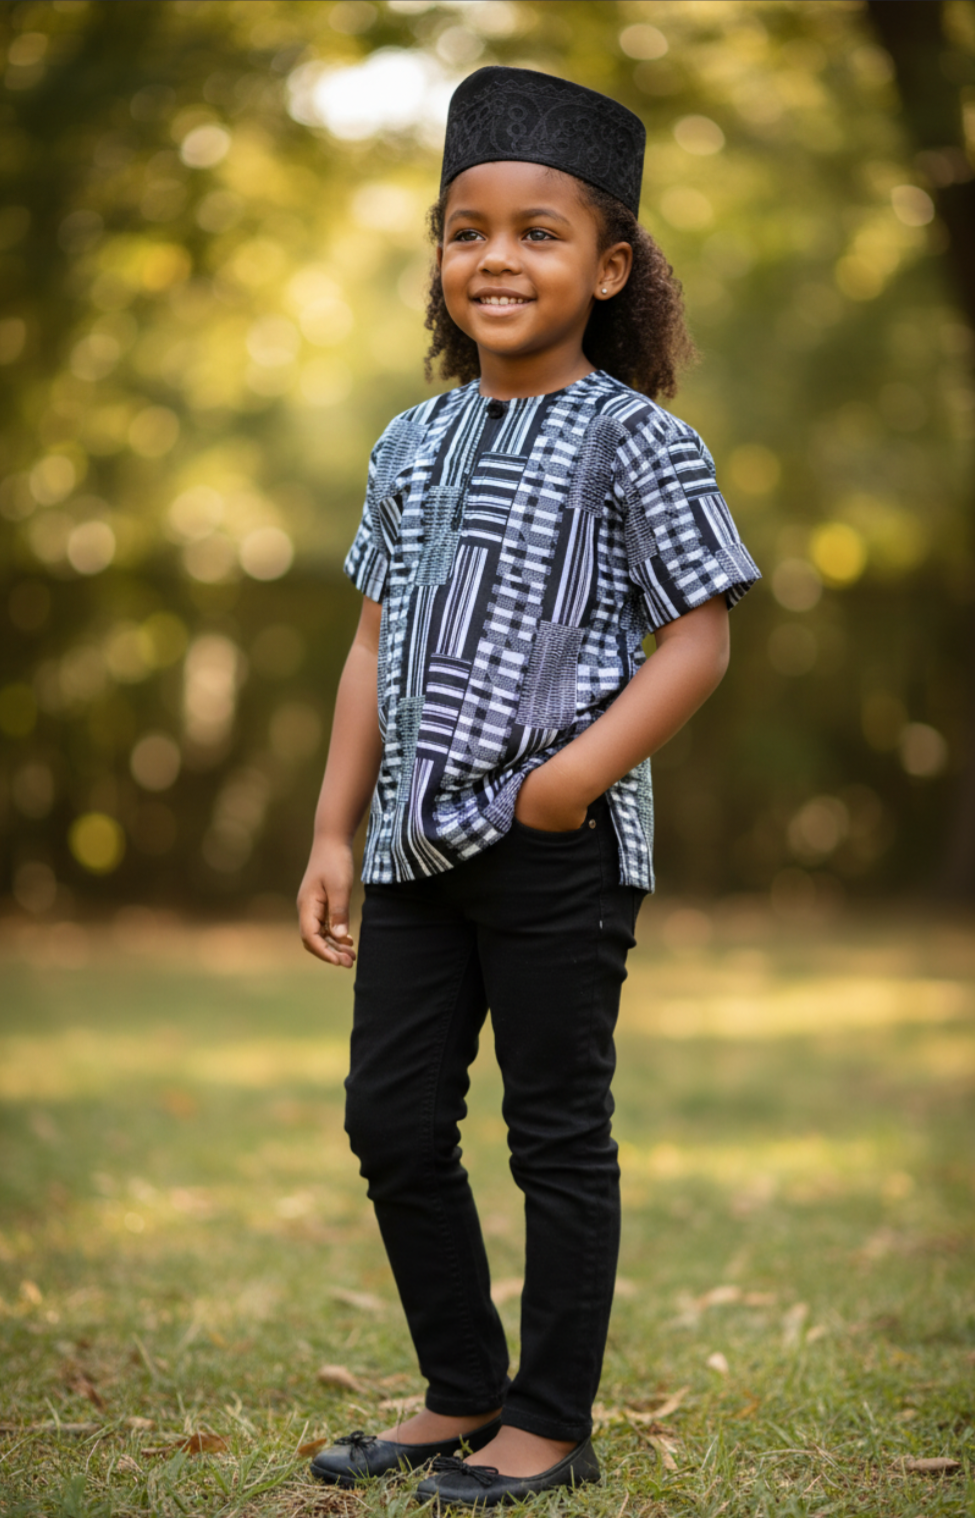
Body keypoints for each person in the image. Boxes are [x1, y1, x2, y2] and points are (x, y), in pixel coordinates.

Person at [298, 65, 760, 1508]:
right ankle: (460, 1389)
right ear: (441, 258)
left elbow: (700, 636)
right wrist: (331, 827)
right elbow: (371, 642)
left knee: (554, 1131)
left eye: (538, 233)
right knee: (389, 1123)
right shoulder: (410, 441)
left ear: (609, 267)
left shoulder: (638, 439)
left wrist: (567, 783)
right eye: (467, 231)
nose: (496, 258)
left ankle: (550, 1423)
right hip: (409, 851)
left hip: (559, 848)